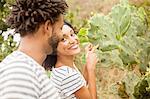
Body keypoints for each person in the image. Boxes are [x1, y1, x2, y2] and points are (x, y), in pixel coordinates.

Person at [0, 0, 68, 99]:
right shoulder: (21, 73)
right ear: (48, 27)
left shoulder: (27, 69)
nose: (62, 36)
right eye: (60, 28)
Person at [43, 22, 98, 99]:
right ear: (54, 48)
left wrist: (87, 63)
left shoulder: (63, 68)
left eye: (72, 34)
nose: (72, 40)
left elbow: (80, 85)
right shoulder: (67, 75)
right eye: (63, 39)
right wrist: (91, 69)